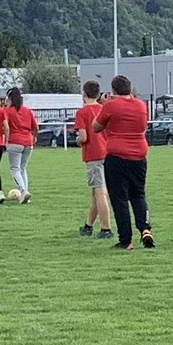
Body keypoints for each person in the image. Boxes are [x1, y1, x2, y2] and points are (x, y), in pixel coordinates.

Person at [92, 74, 153, 250]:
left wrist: (104, 105)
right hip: (139, 155)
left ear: (113, 90)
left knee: (119, 199)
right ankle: (145, 229)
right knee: (138, 194)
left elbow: (96, 127)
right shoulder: (141, 105)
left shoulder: (111, 105)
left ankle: (126, 240)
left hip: (117, 155)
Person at [74, 79, 113, 239]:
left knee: (100, 193)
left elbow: (83, 137)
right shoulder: (104, 109)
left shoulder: (82, 113)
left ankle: (106, 229)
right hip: (108, 153)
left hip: (94, 155)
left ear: (84, 94)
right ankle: (88, 226)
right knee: (96, 193)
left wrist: (77, 141)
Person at [4, 86, 38, 203]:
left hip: (15, 141)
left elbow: (5, 126)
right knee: (23, 168)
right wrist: (34, 138)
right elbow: (35, 127)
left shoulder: (8, 111)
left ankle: (22, 190)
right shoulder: (27, 111)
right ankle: (24, 195)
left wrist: (5, 141)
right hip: (28, 141)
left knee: (15, 168)